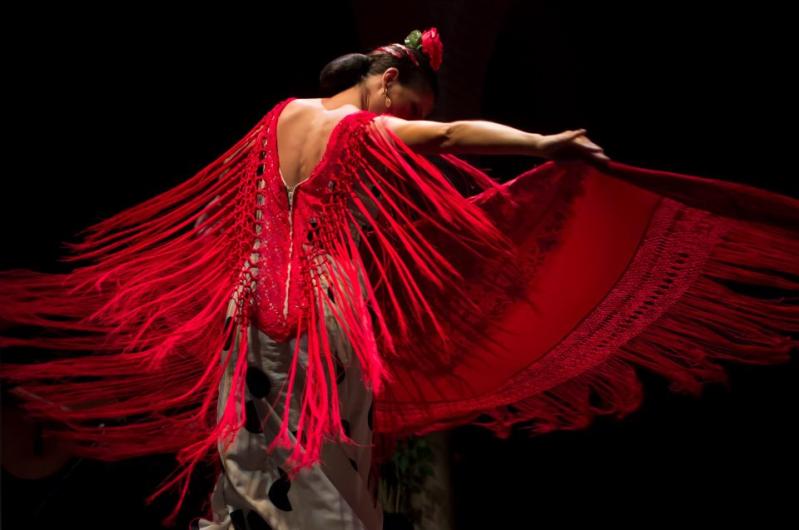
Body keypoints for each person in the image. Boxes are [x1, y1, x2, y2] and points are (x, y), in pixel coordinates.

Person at [1, 27, 797, 530]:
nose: (407, 119)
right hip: (327, 306)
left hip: (247, 305)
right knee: (324, 455)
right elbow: (448, 136)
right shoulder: (361, 126)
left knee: (252, 456)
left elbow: (233, 210)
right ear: (385, 83)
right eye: (407, 104)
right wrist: (540, 144)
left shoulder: (277, 116)